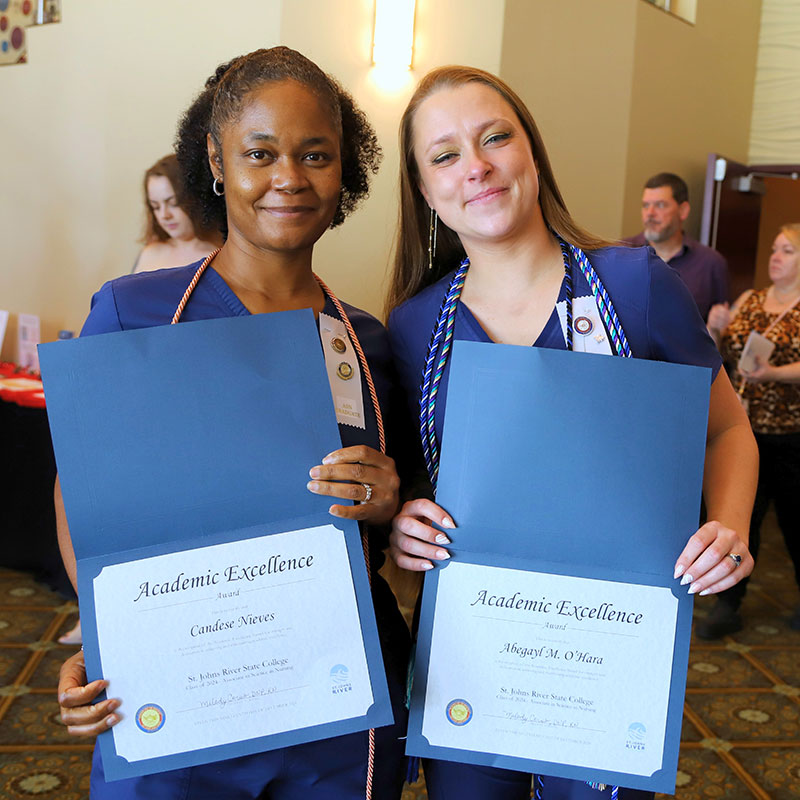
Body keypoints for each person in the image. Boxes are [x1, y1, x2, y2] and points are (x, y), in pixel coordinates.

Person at [384, 66, 758, 800]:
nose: (478, 166)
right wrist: (403, 524)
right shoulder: (413, 326)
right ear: (425, 191)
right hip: (472, 648)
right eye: (446, 155)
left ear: (533, 154)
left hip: (609, 644)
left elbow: (726, 429)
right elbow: (414, 479)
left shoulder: (634, 288)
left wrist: (732, 527)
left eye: (496, 138)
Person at [54, 46, 410, 799]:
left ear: (345, 171)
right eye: (260, 153)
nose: (289, 177)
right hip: (178, 687)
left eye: (316, 155)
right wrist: (102, 628)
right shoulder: (134, 314)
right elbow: (78, 489)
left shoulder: (367, 340)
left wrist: (385, 500)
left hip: (333, 695)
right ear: (216, 162)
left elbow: (400, 517)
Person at [701, 224, 800, 637]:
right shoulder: (751, 299)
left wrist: (773, 373)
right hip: (743, 429)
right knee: (744, 519)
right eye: (775, 248)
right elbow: (718, 353)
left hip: (792, 434)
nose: (775, 257)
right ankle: (729, 603)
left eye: (788, 251)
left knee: (795, 525)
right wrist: (715, 325)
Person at [623, 173, 729, 322]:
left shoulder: (711, 263)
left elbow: (716, 331)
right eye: (645, 205)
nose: (650, 213)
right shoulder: (622, 253)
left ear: (683, 210)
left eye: (660, 205)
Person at [132, 154, 222, 273]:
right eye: (156, 207)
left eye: (174, 203)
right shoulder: (148, 253)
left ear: (196, 199)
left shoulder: (220, 258)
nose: (164, 215)